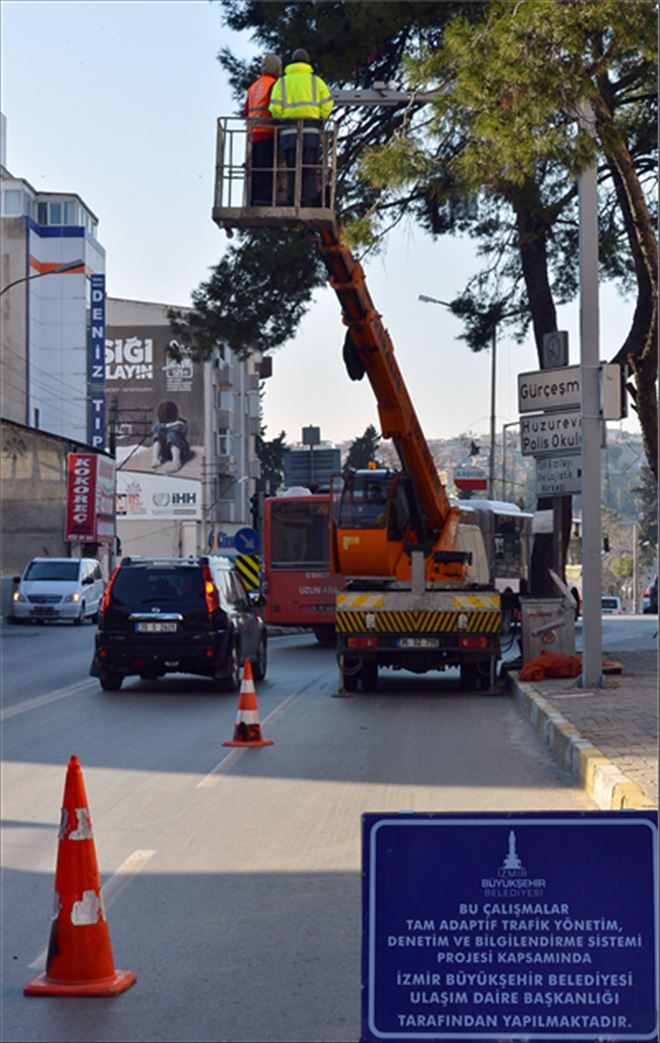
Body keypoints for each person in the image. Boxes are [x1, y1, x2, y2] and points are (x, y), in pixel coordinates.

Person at [268, 48, 333, 206]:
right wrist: (320, 116)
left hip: (289, 132)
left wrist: (282, 117)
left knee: (292, 167)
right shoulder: (316, 81)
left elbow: (275, 108)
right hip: (311, 131)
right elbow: (328, 104)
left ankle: (292, 199)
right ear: (307, 63)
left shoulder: (282, 83)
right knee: (309, 167)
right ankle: (307, 199)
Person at [243, 53, 282, 205]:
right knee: (267, 169)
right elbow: (276, 108)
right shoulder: (274, 84)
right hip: (267, 131)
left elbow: (246, 111)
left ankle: (253, 200)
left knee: (255, 169)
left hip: (253, 133)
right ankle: (264, 199)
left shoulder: (254, 86)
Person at [151, 400, 191, 474]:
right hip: (165, 454)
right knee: (158, 434)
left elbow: (178, 428)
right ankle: (155, 459)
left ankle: (176, 462)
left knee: (172, 434)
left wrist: (166, 427)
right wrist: (167, 425)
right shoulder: (162, 424)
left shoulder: (181, 422)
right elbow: (154, 428)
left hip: (181, 452)